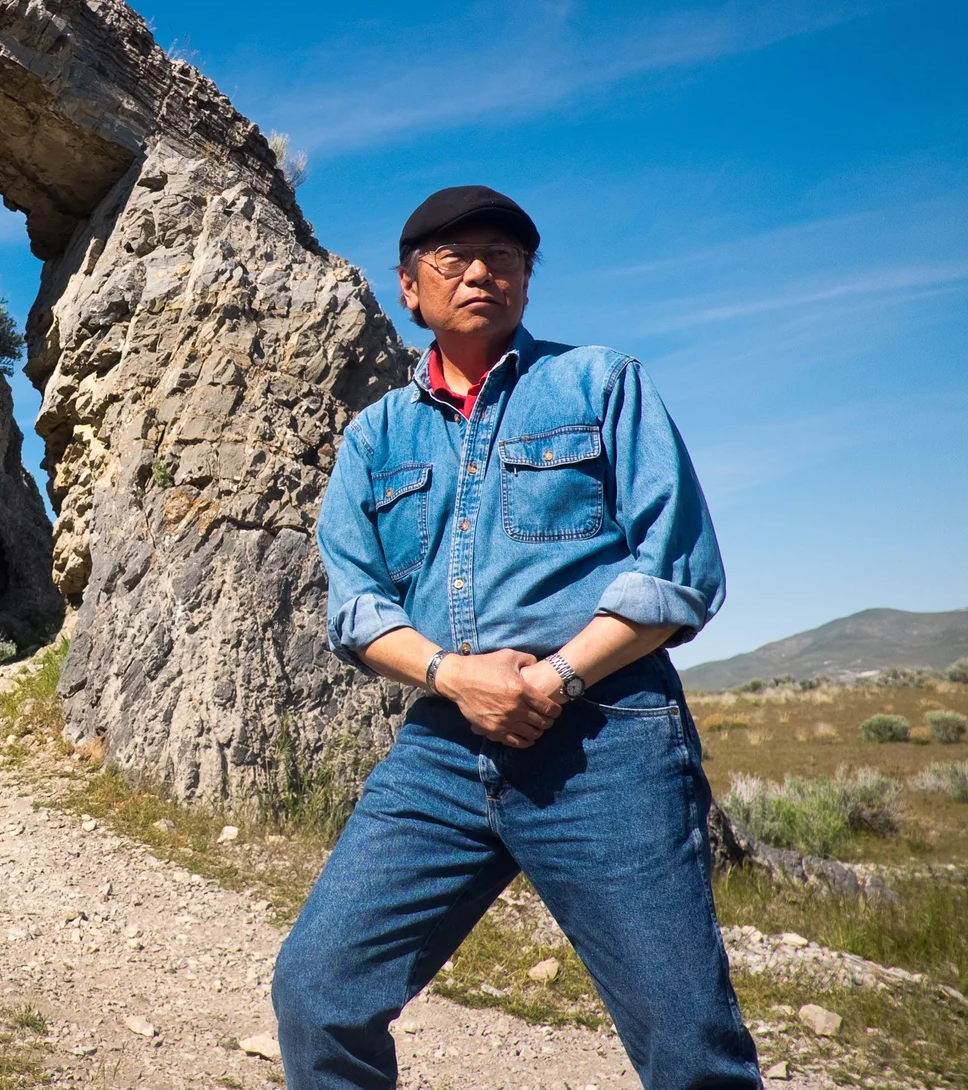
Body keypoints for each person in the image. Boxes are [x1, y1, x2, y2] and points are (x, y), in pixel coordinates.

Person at [271, 186, 760, 1089]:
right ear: (410, 289)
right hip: (444, 749)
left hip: (606, 736)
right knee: (317, 991)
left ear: (528, 282)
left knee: (690, 1046)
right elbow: (356, 606)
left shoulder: (601, 382)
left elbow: (679, 568)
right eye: (453, 258)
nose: (481, 270)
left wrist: (556, 680)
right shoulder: (374, 438)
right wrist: (457, 677)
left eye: (504, 254)